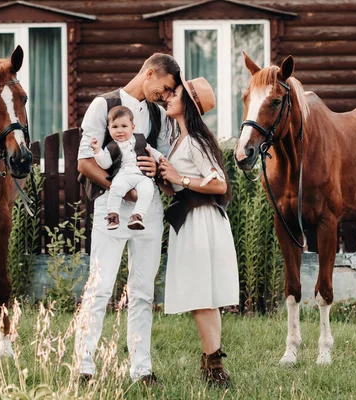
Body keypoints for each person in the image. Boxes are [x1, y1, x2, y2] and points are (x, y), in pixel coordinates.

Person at [75, 53, 180, 385]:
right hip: (111, 207)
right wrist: (119, 190)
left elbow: (165, 167)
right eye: (163, 88)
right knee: (101, 287)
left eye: (169, 93)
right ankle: (85, 367)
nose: (164, 96)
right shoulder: (103, 105)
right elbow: (84, 163)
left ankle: (142, 369)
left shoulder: (158, 116)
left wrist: (159, 172)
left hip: (150, 211)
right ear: (149, 74)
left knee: (143, 291)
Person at [158, 76, 239, 389]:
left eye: (175, 94)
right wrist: (167, 178)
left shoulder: (194, 140)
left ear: (187, 104)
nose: (168, 97)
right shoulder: (181, 140)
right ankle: (211, 364)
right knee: (204, 296)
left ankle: (215, 366)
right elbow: (183, 182)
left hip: (201, 222)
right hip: (191, 221)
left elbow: (219, 184)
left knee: (202, 295)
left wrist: (181, 177)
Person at [91, 106, 164, 230]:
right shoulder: (111, 147)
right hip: (123, 175)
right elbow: (106, 164)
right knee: (115, 188)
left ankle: (137, 216)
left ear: (132, 127)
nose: (119, 130)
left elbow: (151, 150)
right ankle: (113, 215)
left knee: (147, 190)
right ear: (109, 129)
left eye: (124, 126)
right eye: (115, 127)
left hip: (142, 175)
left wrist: (161, 158)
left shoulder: (140, 139)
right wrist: (97, 151)